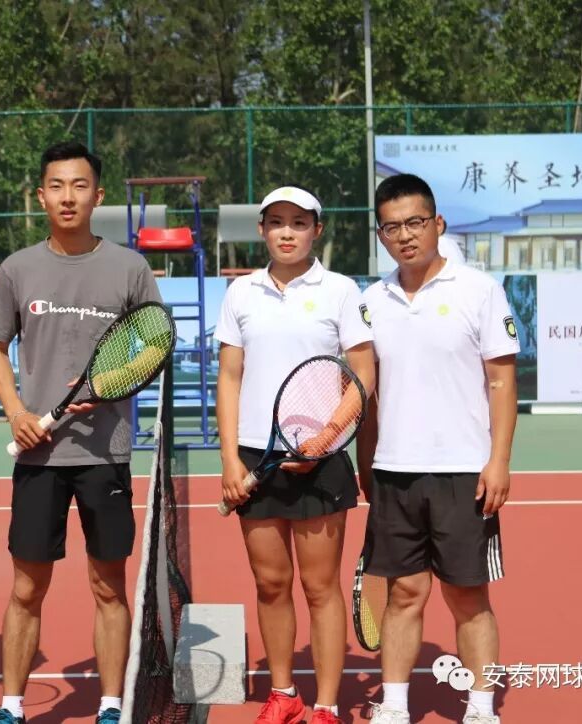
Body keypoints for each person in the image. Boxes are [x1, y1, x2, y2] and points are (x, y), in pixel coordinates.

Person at [0, 141, 162, 724]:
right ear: (41, 196)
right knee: (26, 589)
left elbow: (152, 345)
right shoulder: (17, 269)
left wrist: (110, 388)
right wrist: (16, 412)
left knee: (108, 586)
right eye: (56, 186)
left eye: (79, 186)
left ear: (97, 195)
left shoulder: (130, 268)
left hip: (105, 454)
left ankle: (110, 705)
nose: (67, 196)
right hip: (38, 458)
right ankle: (11, 707)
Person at [357, 174, 518, 724]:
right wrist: (366, 464)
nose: (405, 236)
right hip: (394, 473)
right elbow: (367, 394)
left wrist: (499, 461)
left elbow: (502, 381)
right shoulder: (370, 302)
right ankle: (394, 706)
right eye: (392, 227)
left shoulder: (479, 291)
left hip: (463, 473)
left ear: (438, 224)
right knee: (403, 593)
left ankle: (481, 707)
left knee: (468, 597)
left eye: (415, 223)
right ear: (381, 235)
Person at [216, 185, 376, 724]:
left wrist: (326, 438)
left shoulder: (341, 291)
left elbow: (362, 375)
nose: (287, 232)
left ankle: (326, 705)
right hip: (255, 456)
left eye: (299, 223)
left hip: (321, 458)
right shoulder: (241, 293)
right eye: (277, 222)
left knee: (320, 587)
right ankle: (284, 694)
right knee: (270, 584)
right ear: (262, 230)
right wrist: (230, 461)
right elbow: (230, 377)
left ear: (317, 231)